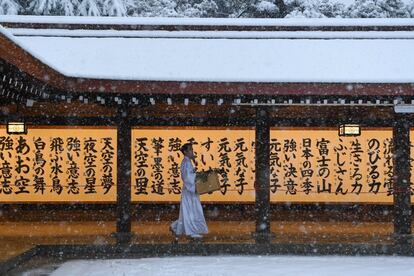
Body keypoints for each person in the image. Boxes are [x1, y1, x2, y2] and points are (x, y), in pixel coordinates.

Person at [170, 143, 208, 240]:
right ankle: (192, 232)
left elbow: (190, 176)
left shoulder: (187, 162)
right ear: (185, 152)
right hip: (189, 190)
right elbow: (187, 178)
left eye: (192, 149)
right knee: (191, 211)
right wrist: (196, 182)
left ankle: (175, 227)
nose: (192, 151)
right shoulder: (186, 162)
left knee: (188, 211)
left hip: (190, 190)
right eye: (190, 150)